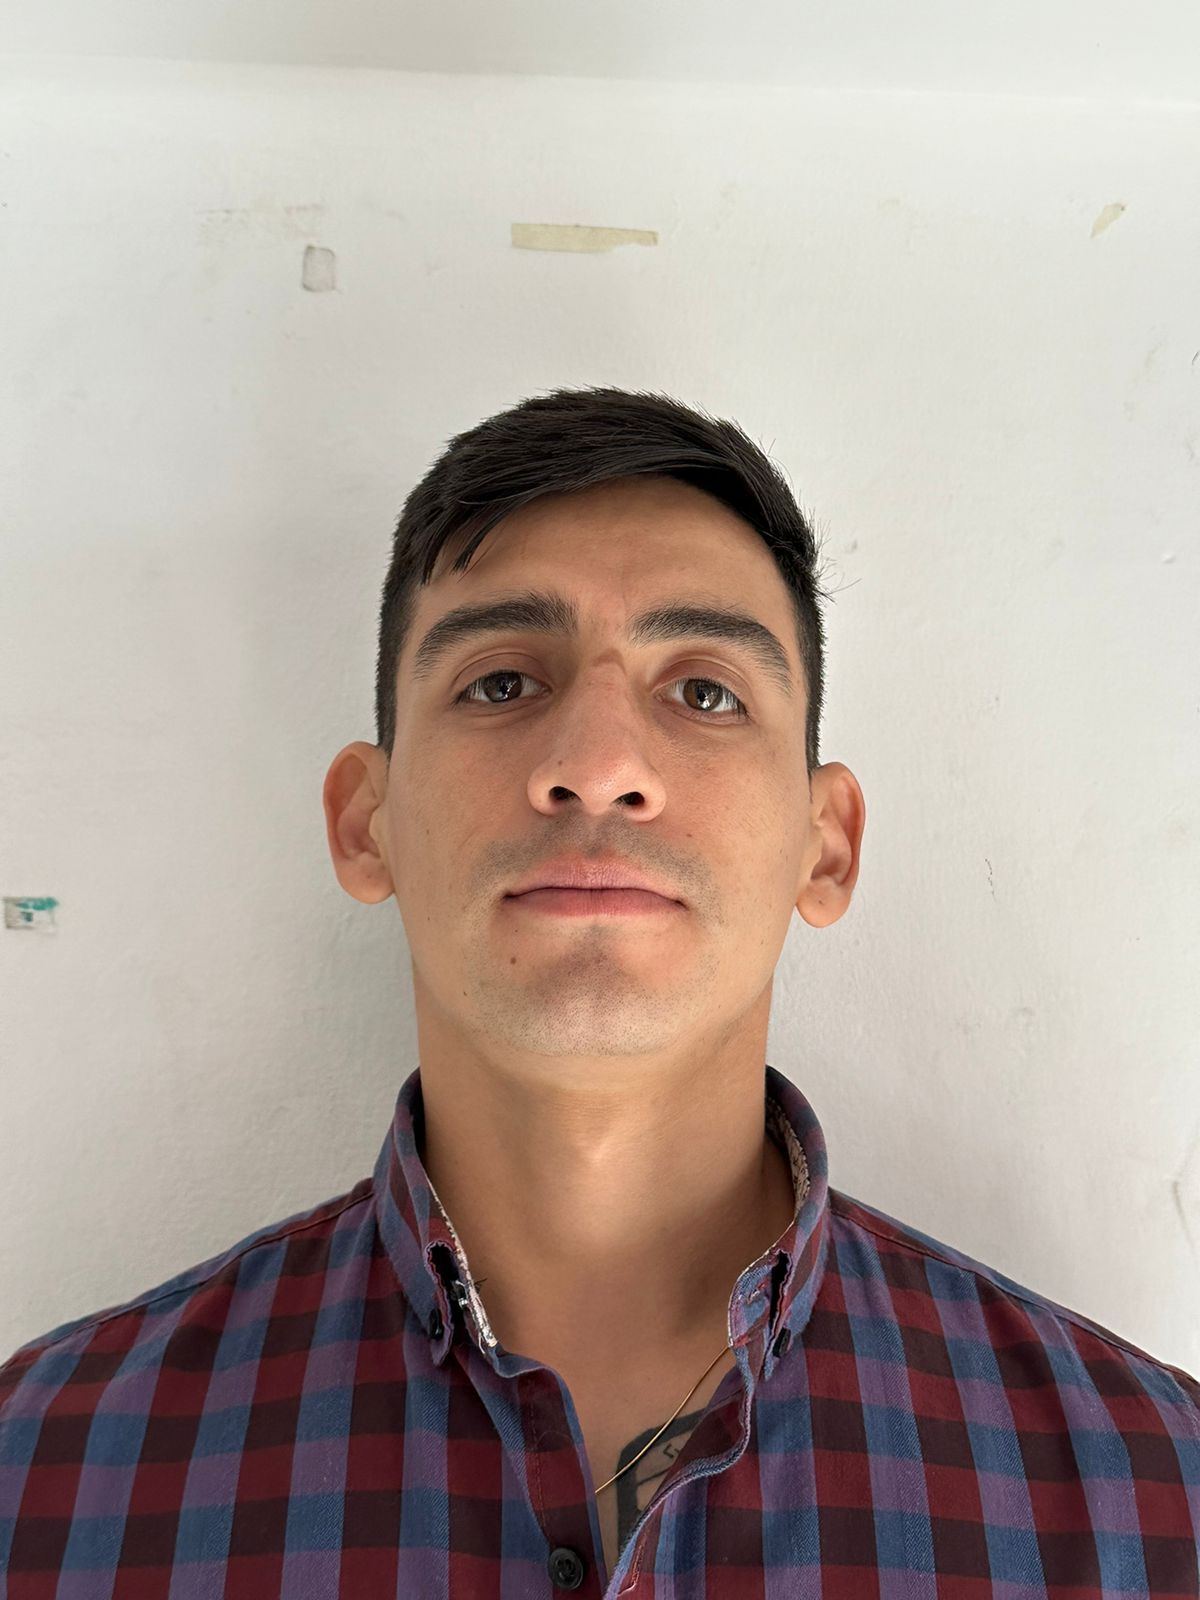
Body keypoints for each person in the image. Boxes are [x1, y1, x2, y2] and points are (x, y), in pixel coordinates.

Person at [2, 385, 1196, 1597]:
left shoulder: (1159, 1495)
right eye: (502, 682)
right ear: (366, 823)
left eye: (705, 691)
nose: (599, 765)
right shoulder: (39, 1476)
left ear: (824, 846)